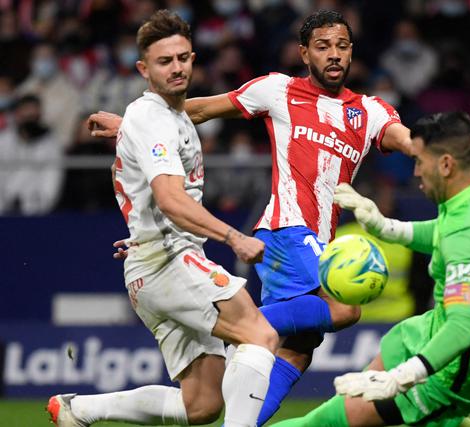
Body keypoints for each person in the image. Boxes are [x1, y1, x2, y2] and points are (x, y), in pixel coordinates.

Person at [88, 10, 413, 425]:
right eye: (323, 47)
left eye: (342, 46)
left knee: (300, 346)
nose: (334, 55)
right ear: (304, 53)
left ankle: (244, 407)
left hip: (321, 239)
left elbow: (404, 139)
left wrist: (437, 148)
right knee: (346, 309)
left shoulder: (369, 111)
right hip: (285, 228)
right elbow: (202, 110)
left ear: (352, 53)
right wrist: (132, 124)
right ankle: (239, 326)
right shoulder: (278, 90)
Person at [47, 10, 278, 427]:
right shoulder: (151, 117)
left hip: (147, 267)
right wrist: (233, 238)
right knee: (259, 335)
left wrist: (126, 127)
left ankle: (78, 410)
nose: (177, 67)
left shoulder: (158, 116)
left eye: (184, 57)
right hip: (169, 261)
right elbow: (171, 199)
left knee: (203, 404)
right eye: (164, 61)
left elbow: (163, 126)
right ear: (143, 69)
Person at [273, 111, 470, 427]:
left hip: (459, 364)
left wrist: (400, 378)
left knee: (330, 421)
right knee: (337, 417)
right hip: (432, 330)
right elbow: (445, 231)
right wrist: (385, 227)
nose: (416, 172)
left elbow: (463, 327)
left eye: (420, 161)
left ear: (446, 164)